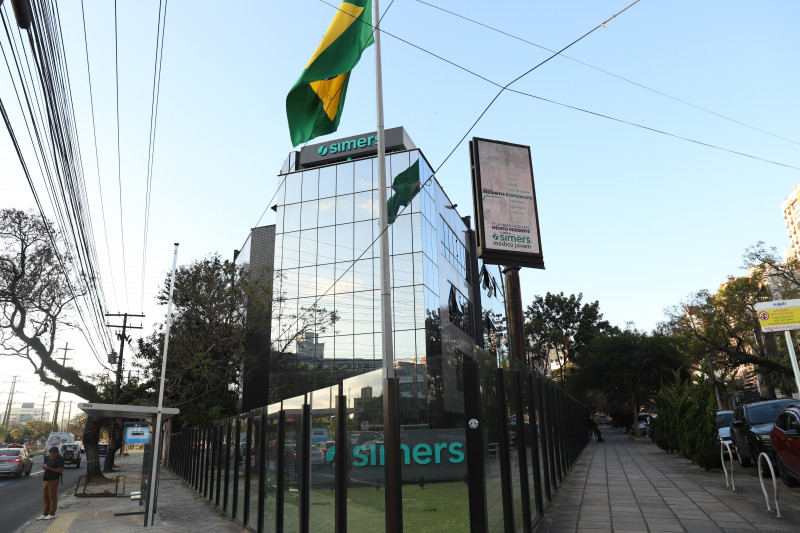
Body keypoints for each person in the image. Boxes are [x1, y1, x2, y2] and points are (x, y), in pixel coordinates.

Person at [37, 446, 64, 521]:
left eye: (52, 454)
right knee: (45, 497)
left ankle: (52, 513)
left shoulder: (60, 459)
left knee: (52, 497)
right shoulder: (49, 458)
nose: (50, 455)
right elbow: (48, 466)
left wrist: (49, 468)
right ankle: (45, 513)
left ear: (56, 453)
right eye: (50, 453)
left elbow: (60, 470)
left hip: (54, 480)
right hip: (47, 480)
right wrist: (46, 467)